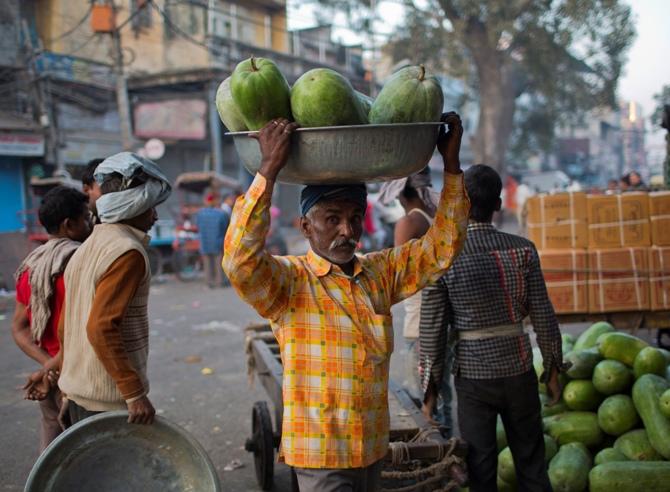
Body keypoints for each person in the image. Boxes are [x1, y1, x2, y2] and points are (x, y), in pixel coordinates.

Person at [223, 114, 469, 491]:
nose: (347, 230)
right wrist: (268, 170)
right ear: (305, 227)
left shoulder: (380, 273)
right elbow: (238, 260)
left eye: (355, 218)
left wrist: (451, 167)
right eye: (332, 218)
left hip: (371, 450)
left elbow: (442, 248)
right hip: (320, 456)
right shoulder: (288, 282)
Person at [419, 164, 566, 492]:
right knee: (531, 463)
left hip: (474, 379)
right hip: (520, 371)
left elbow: (432, 331)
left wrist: (428, 396)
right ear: (498, 205)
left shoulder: (444, 258)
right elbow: (544, 316)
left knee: (481, 470)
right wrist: (553, 370)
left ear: (461, 205)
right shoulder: (523, 250)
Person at [57, 152, 171, 426]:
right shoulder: (126, 252)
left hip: (78, 395)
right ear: (133, 206)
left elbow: (65, 327)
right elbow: (100, 327)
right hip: (107, 403)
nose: (155, 215)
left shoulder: (87, 247)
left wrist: (66, 392)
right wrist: (134, 394)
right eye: (151, 206)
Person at [12, 186, 92, 451]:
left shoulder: (30, 267)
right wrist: (53, 367)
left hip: (50, 375)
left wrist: (47, 365)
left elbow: (19, 329)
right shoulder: (79, 263)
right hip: (78, 376)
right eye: (86, 217)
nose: (91, 222)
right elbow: (86, 329)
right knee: (91, 452)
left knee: (53, 451)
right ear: (69, 224)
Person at [377, 167, 453, 433]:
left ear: (401, 194)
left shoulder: (410, 222)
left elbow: (394, 275)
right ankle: (451, 456)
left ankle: (442, 465)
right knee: (441, 397)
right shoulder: (435, 219)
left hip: (421, 324)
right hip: (441, 323)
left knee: (425, 406)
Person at [195, 193, 229, 288]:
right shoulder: (221, 214)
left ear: (206, 202)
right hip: (217, 242)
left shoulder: (200, 214)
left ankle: (209, 282)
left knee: (207, 264)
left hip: (205, 243)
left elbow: (197, 226)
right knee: (218, 263)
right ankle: (219, 282)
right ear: (214, 202)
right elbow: (225, 227)